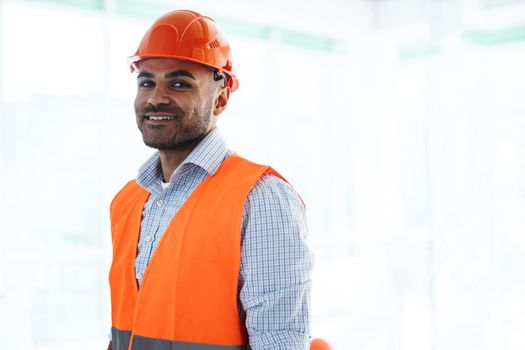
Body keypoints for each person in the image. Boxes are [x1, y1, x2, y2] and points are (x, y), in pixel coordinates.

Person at [107, 9, 313, 350]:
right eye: (147, 82)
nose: (156, 97)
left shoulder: (260, 197)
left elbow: (280, 339)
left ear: (221, 97)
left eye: (179, 82)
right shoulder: (127, 201)